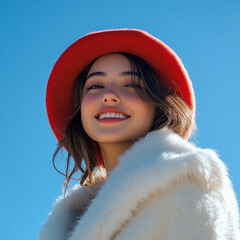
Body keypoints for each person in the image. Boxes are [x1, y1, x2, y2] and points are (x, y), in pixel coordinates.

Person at [38, 29, 240, 240]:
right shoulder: (66, 221)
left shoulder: (190, 187)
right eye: (95, 86)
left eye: (131, 84)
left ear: (158, 105)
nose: (108, 96)